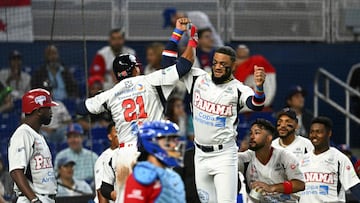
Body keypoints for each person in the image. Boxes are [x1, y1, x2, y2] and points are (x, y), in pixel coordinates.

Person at [77, 18, 197, 202]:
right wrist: (191, 39)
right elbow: (183, 65)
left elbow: (81, 108)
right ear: (134, 70)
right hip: (153, 151)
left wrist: (102, 97)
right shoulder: (150, 81)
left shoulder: (110, 93)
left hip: (124, 155)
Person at [162, 40, 266, 202]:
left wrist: (259, 88)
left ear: (233, 66)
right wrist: (177, 35)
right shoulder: (198, 78)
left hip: (224, 155)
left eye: (223, 64)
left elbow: (256, 104)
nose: (217, 67)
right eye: (215, 63)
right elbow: (169, 67)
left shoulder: (238, 88)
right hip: (200, 154)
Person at [8, 88, 58, 203]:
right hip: (32, 199)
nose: (51, 112)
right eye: (48, 108)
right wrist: (34, 200)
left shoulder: (37, 135)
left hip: (45, 198)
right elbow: (16, 171)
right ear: (39, 110)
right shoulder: (22, 134)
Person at [238, 119, 305, 202]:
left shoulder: (284, 156)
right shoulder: (245, 158)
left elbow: (300, 184)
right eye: (251, 133)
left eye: (257, 133)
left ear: (268, 138)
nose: (251, 137)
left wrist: (272, 187)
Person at [299, 116, 360, 202]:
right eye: (312, 132)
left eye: (318, 132)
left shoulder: (339, 158)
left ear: (329, 133)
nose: (314, 135)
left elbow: (354, 187)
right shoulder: (302, 159)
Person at [123, 120, 186, 203]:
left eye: (174, 140)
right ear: (151, 143)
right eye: (168, 141)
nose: (174, 145)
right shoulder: (141, 176)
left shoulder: (174, 176)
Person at [94, 122, 118, 203]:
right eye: (117, 132)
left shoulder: (127, 153)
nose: (121, 135)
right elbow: (101, 191)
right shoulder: (103, 158)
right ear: (110, 136)